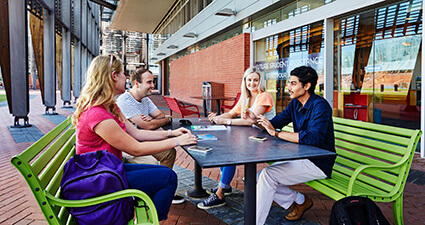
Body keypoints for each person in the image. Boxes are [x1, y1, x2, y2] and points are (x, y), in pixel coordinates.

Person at [72, 55, 198, 221]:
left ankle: (149, 218)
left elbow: (137, 134)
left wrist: (172, 133)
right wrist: (176, 142)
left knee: (165, 173)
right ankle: (151, 221)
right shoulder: (97, 114)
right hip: (99, 178)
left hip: (110, 169)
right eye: (123, 74)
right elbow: (134, 148)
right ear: (114, 76)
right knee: (168, 177)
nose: (126, 78)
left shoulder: (109, 106)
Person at [250, 66, 336, 224]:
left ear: (307, 86)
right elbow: (275, 123)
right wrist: (256, 120)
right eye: (289, 83)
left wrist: (275, 133)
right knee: (256, 178)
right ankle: (301, 201)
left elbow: (313, 138)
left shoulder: (320, 106)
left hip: (318, 161)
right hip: (301, 156)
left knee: (268, 176)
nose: (288, 87)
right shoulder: (295, 104)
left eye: (293, 83)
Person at [197, 66, 275, 209]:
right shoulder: (246, 97)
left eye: (255, 80)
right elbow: (232, 113)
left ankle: (220, 194)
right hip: (251, 136)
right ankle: (225, 186)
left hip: (267, 139)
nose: (252, 83)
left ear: (261, 81)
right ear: (245, 81)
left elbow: (250, 121)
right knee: (225, 148)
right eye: (249, 80)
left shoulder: (264, 96)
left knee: (231, 154)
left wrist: (225, 121)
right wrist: (217, 118)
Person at [116, 67, 184, 204]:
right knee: (152, 163)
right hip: (128, 146)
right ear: (137, 83)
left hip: (143, 139)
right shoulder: (125, 100)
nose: (153, 86)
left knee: (169, 153)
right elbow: (148, 126)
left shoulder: (145, 99)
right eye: (149, 82)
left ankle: (164, 189)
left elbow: (162, 117)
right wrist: (155, 122)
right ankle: (156, 190)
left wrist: (161, 120)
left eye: (153, 82)